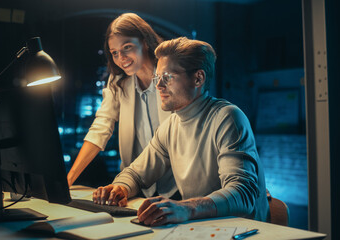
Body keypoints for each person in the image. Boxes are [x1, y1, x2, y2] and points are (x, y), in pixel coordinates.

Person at [92, 37, 269, 226]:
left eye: (167, 77)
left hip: (243, 232)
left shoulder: (227, 118)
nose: (158, 86)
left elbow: (242, 193)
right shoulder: (171, 125)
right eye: (157, 77)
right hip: (201, 229)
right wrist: (121, 187)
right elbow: (136, 173)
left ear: (198, 78)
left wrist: (187, 207)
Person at [67, 13, 178, 199]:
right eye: (115, 53)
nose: (121, 58)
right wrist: (69, 178)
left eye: (127, 47)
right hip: (136, 185)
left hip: (176, 184)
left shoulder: (171, 74)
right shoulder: (118, 81)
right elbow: (101, 128)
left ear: (144, 41)